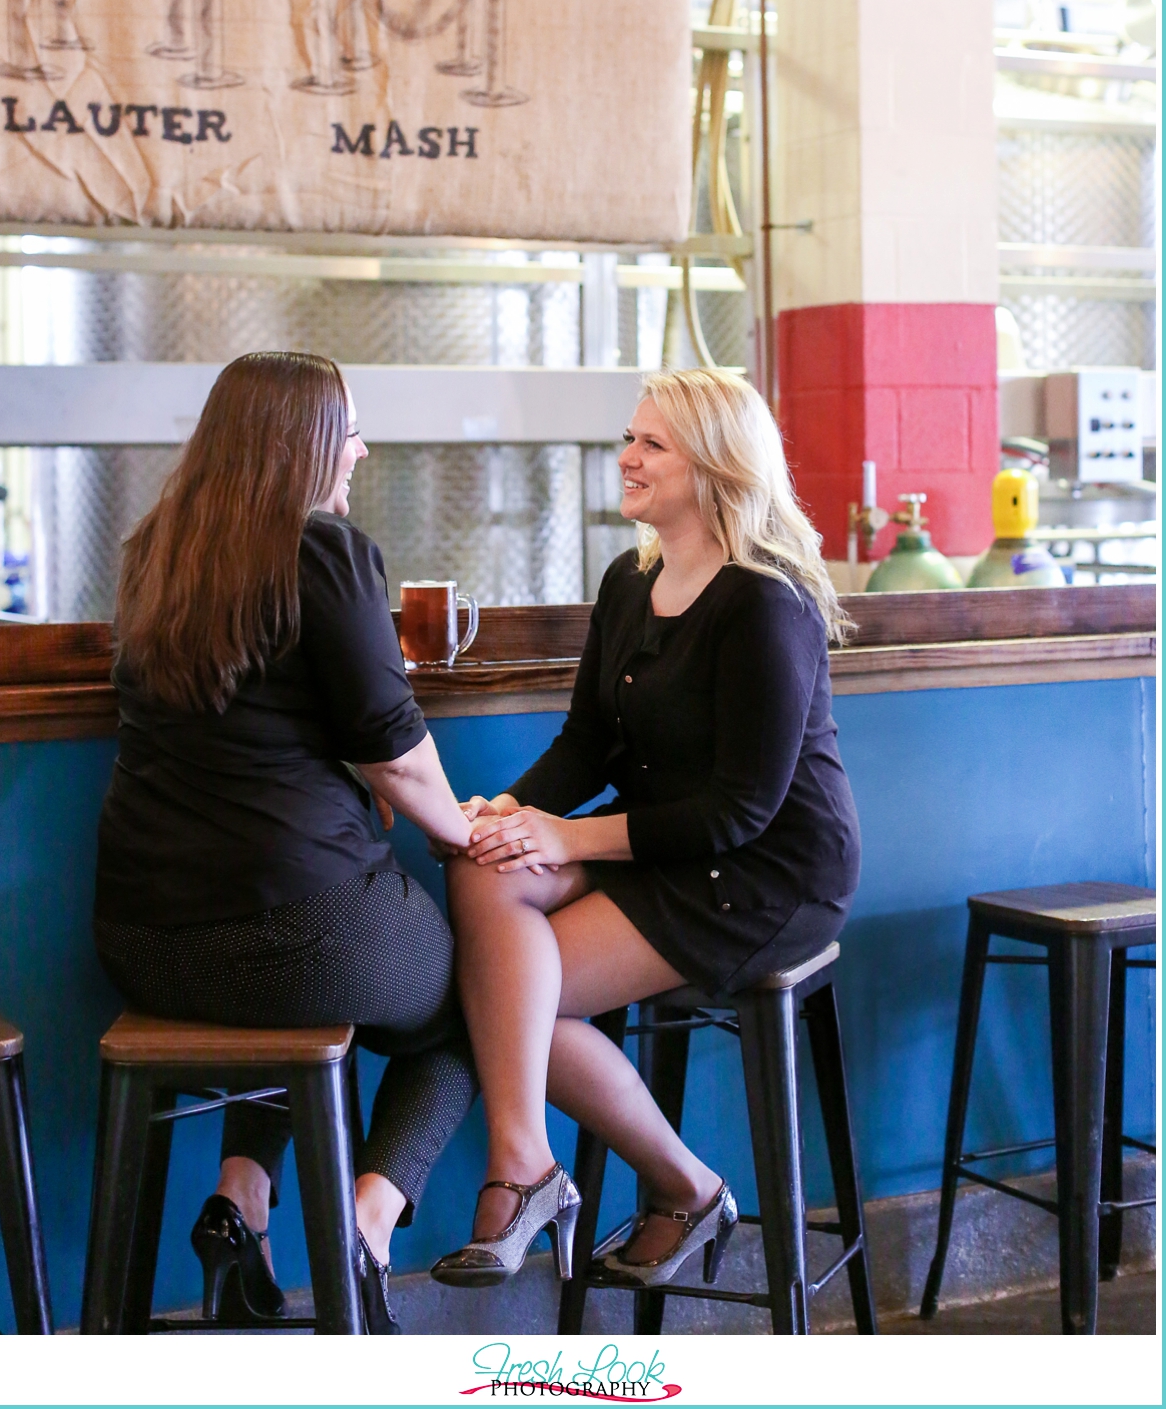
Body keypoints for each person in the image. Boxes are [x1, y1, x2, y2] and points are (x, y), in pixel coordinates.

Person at [433, 368, 861, 1290]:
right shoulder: (631, 582)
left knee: (509, 1000)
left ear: (714, 464)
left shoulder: (764, 601)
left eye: (651, 444)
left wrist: (569, 838)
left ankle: (653, 1182)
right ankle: (536, 1167)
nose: (626, 457)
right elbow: (587, 743)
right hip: (660, 842)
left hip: (764, 871)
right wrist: (506, 813)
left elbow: (741, 810)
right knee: (482, 871)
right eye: (631, 437)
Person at [93, 351, 478, 1333]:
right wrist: (467, 830)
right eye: (346, 426)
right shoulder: (322, 550)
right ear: (301, 441)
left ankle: (240, 1203)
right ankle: (369, 1221)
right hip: (295, 932)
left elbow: (248, 719)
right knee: (467, 1009)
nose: (360, 446)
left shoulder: (154, 550)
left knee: (304, 1006)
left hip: (143, 939)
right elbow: (392, 750)